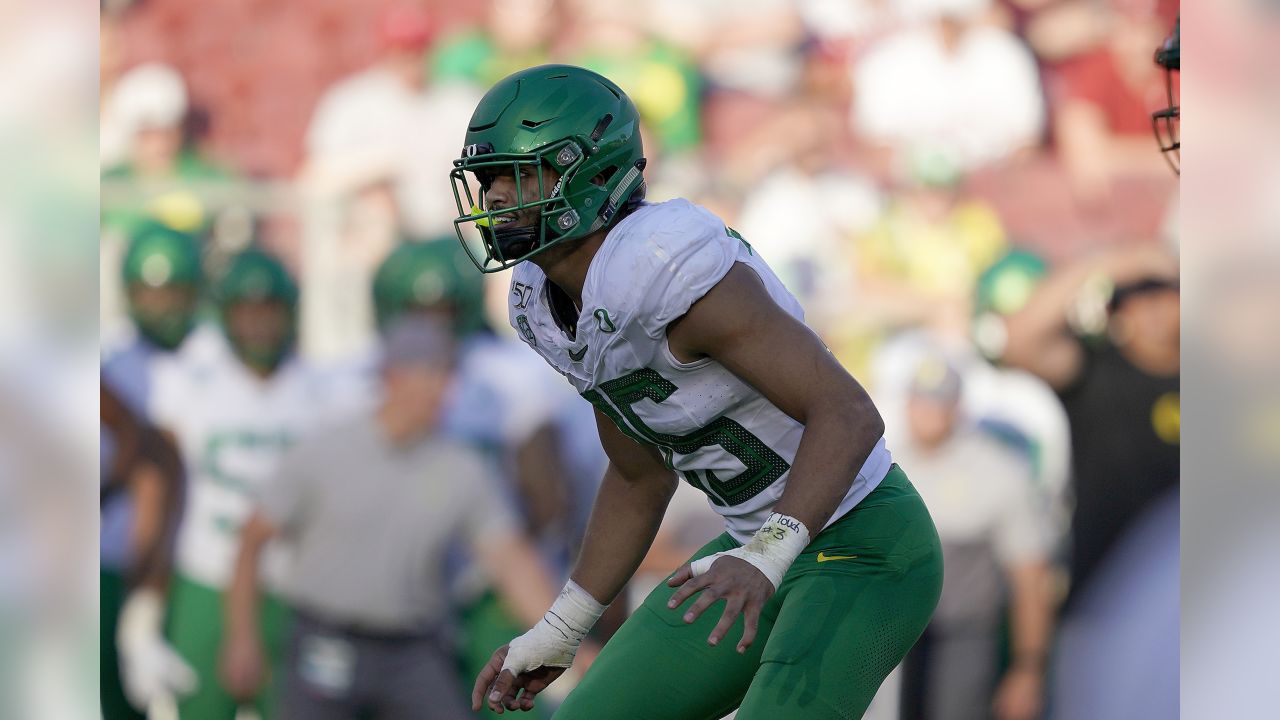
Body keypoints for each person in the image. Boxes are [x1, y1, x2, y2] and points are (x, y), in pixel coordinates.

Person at [450, 64, 943, 719]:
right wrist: (562, 628)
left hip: (862, 541)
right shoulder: (540, 301)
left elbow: (849, 413)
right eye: (491, 180)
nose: (498, 198)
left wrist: (768, 555)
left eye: (520, 176)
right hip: (752, 547)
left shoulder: (661, 267)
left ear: (590, 175)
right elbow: (637, 477)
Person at [221, 317, 560, 719]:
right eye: (430, 374)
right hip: (325, 642)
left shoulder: (459, 468)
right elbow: (252, 538)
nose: (444, 391)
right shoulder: (326, 449)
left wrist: (562, 638)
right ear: (393, 376)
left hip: (412, 650)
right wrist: (242, 637)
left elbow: (510, 560)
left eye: (448, 376)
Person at [149, 248, 351, 719]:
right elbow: (158, 499)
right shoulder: (186, 385)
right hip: (206, 580)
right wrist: (148, 602)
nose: (258, 324)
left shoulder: (325, 392)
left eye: (270, 310)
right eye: (245, 310)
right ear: (223, 313)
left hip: (294, 587)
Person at [892, 358, 1054, 720]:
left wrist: (1028, 669)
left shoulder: (997, 470)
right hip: (888, 639)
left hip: (961, 639)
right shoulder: (883, 465)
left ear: (957, 407)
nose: (926, 412)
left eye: (937, 402)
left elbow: (1030, 576)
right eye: (919, 400)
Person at [101, 223, 204, 719]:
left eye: (174, 293)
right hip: (111, 562)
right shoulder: (114, 357)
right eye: (149, 293)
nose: (162, 306)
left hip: (191, 572)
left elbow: (162, 475)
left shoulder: (213, 362)